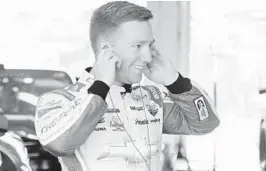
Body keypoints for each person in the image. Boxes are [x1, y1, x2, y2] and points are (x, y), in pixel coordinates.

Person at [34, 1, 220, 171]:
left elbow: (204, 124)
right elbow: (59, 144)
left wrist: (175, 81)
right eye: (137, 46)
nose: (147, 57)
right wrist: (100, 87)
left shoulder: (151, 99)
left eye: (149, 46)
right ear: (106, 50)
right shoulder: (59, 100)